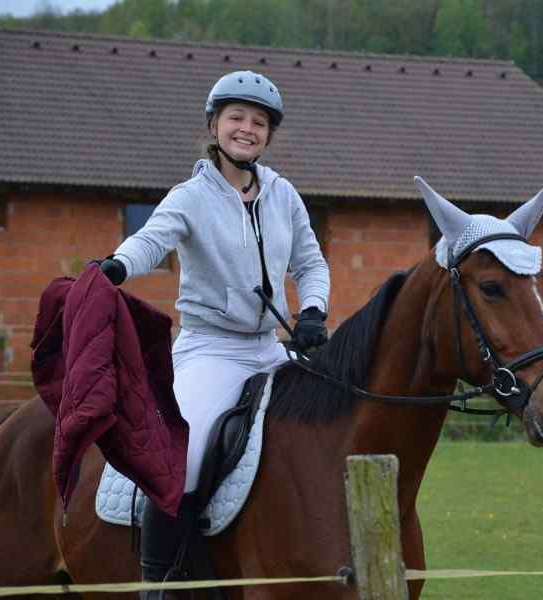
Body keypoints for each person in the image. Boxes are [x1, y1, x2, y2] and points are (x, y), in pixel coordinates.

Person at [97, 70, 330, 596]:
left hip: (272, 348)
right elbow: (152, 241)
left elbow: (311, 263)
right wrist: (115, 267)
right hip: (210, 350)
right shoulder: (190, 196)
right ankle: (159, 583)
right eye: (237, 118)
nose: (247, 129)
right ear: (214, 124)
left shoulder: (284, 194)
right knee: (184, 450)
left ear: (268, 134)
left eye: (259, 122)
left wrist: (313, 310)